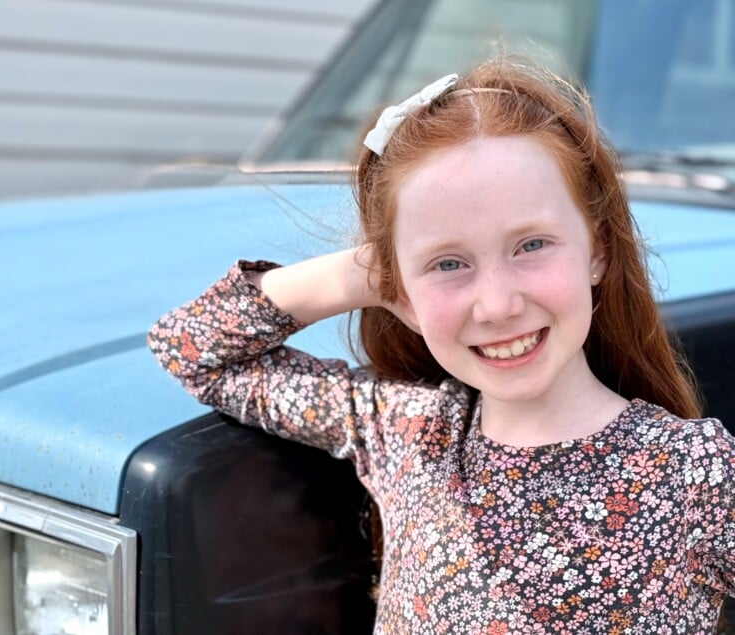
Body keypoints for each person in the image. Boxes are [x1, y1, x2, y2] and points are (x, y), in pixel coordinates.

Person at [148, 58, 734, 633]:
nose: (497, 305)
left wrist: (426, 265)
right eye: (450, 263)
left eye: (531, 245)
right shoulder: (406, 431)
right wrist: (364, 276)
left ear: (597, 251)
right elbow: (194, 352)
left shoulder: (693, 469)